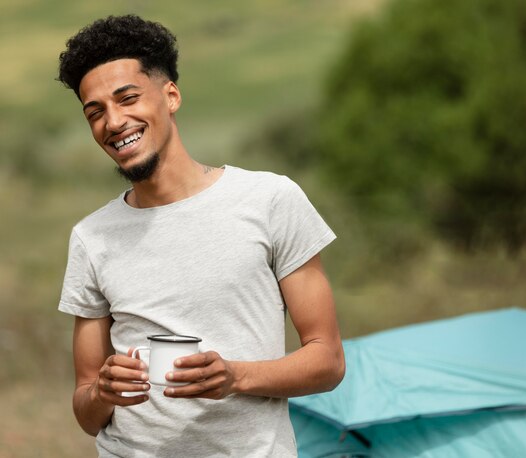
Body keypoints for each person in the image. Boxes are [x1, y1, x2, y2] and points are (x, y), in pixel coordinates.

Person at [57, 15, 345, 457]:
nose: (113, 122)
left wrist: (234, 376)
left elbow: (327, 361)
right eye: (95, 112)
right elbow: (85, 410)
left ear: (170, 95)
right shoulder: (91, 237)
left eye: (127, 98)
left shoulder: (269, 199)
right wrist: (102, 394)